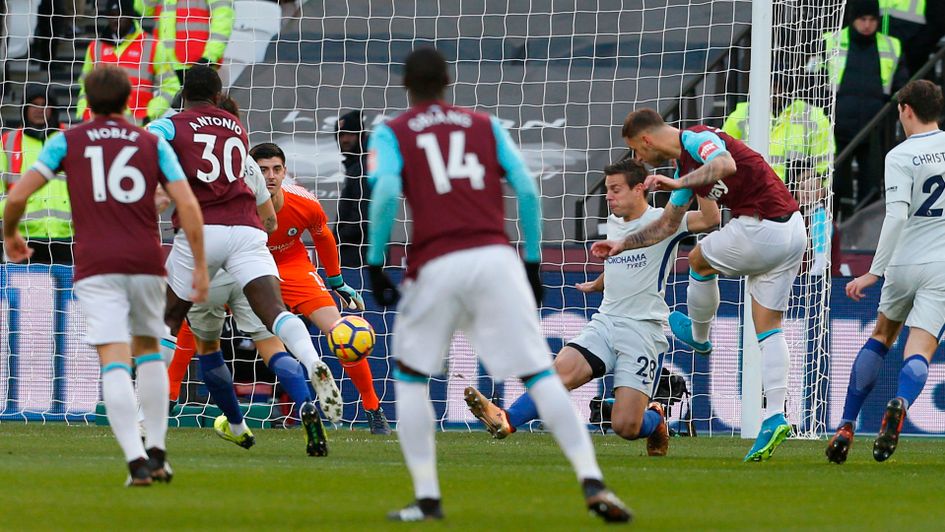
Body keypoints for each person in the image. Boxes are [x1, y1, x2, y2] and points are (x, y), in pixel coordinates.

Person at [368, 47, 630, 523]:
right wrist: (530, 262)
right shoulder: (484, 125)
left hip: (437, 262)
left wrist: (373, 261)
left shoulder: (393, 132)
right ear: (449, 82)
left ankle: (427, 497)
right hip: (495, 259)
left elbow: (385, 190)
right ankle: (592, 480)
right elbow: (527, 189)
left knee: (409, 377)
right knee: (539, 374)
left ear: (405, 85)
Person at [2, 65, 207, 485]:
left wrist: (10, 236)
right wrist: (201, 266)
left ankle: (135, 460)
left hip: (96, 264)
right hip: (147, 261)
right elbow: (188, 206)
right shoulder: (152, 142)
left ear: (87, 101)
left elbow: (18, 194)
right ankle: (158, 451)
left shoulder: (67, 141)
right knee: (150, 350)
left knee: (113, 357)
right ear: (129, 99)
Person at [464, 158, 720, 457]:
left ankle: (656, 418)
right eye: (608, 189)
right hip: (606, 320)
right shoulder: (615, 220)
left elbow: (710, 218)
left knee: (625, 426)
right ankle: (506, 419)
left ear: (639, 189)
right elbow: (626, 262)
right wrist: (601, 281)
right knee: (561, 372)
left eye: (615, 189)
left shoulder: (666, 221)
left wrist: (698, 178)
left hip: (641, 330)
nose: (608, 196)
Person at [591, 108, 806, 462]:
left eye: (637, 151)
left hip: (764, 226)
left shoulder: (697, 139)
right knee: (768, 327)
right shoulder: (684, 169)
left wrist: (679, 183)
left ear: (646, 139)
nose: (639, 160)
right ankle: (775, 416)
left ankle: (699, 335)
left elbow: (724, 165)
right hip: (792, 232)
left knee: (698, 259)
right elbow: (666, 225)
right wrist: (622, 244)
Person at [147, 66, 344, 444]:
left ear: (184, 95)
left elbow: (154, 167)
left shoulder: (176, 127)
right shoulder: (239, 138)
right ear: (220, 98)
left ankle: (194, 419)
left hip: (204, 241)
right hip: (248, 242)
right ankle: (311, 369)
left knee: (185, 332)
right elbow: (269, 219)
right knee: (275, 326)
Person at [826, 80, 945, 464]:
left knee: (881, 336)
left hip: (904, 262)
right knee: (921, 349)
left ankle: (846, 424)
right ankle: (901, 402)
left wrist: (873, 272)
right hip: (941, 265)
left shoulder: (900, 155)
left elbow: (895, 216)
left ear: (905, 109)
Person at [252, 141, 391, 434]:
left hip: (292, 266)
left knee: (342, 332)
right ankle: (171, 397)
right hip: (248, 267)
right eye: (263, 170)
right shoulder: (235, 203)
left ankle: (372, 408)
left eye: (276, 169)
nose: (271, 176)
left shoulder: (303, 202)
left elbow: (324, 238)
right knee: (198, 327)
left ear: (284, 171)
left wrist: (337, 281)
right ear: (250, 172)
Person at [824, 0, 907, 219]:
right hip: (837, 124)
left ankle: (861, 237)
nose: (868, 25)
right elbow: (817, 78)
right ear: (853, 19)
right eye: (863, 19)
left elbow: (901, 82)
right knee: (836, 184)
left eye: (872, 20)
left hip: (874, 125)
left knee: (870, 185)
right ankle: (834, 232)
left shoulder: (891, 45)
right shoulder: (832, 42)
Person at [0, 85, 73, 263]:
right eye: (34, 104)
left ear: (53, 108)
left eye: (45, 104)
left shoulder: (70, 137)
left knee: (69, 290)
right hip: (23, 236)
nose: (40, 110)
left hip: (69, 235)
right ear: (25, 108)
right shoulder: (8, 141)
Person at [76, 0, 180, 124]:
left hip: (139, 126)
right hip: (99, 125)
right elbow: (84, 86)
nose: (116, 19)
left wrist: (149, 115)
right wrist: (84, 113)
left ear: (130, 16)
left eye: (120, 14)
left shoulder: (152, 45)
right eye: (112, 14)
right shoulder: (95, 48)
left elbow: (170, 87)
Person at [141, 0, 235, 83]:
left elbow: (223, 21)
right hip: (164, 65)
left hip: (196, 65)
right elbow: (143, 10)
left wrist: (209, 58)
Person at [334, 110, 371, 267]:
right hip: (356, 254)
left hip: (362, 256)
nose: (345, 139)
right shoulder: (356, 166)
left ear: (360, 135)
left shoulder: (366, 166)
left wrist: (335, 238)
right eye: (341, 135)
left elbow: (363, 217)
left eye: (350, 134)